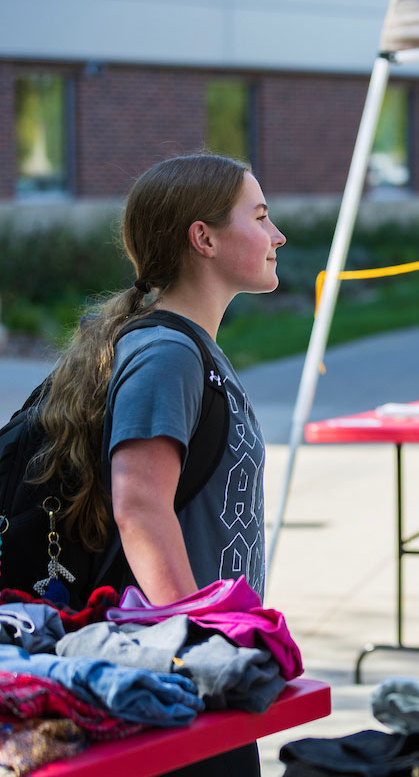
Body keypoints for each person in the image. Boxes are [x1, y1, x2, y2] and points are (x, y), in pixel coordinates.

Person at [29, 154, 284, 775]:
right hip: (176, 679)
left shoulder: (185, 347)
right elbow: (140, 504)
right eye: (259, 216)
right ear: (204, 238)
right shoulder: (166, 353)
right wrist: (197, 652)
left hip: (194, 667)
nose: (277, 235)